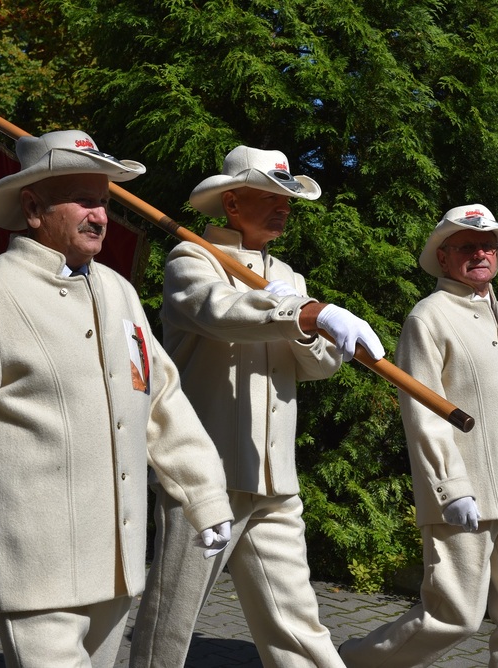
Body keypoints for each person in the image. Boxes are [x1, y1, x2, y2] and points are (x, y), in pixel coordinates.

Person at [0, 130, 234, 667]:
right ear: (33, 208)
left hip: (116, 565)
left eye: (104, 202)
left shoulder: (118, 292)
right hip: (35, 569)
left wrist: (204, 492)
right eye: (84, 200)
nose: (100, 216)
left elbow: (160, 401)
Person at [130, 145, 385, 668]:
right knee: (172, 618)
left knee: (299, 626)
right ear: (231, 203)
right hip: (206, 477)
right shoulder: (192, 259)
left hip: (275, 479)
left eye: (287, 199)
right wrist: (304, 313)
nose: (283, 207)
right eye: (270, 196)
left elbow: (316, 366)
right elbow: (218, 311)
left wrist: (312, 329)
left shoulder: (288, 276)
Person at [338, 204, 498, 668]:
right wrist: (450, 488)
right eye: (467, 246)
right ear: (444, 256)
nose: (480, 253)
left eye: (488, 245)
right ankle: (350, 663)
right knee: (454, 616)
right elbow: (424, 413)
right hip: (466, 494)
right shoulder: (428, 317)